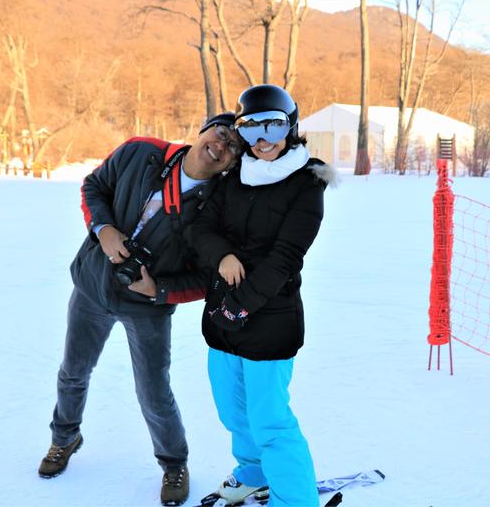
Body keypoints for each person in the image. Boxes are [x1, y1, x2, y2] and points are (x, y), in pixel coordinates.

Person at [38, 113, 242, 507]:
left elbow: (206, 277)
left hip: (147, 305)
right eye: (220, 134)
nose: (221, 146)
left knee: (153, 389)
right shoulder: (142, 151)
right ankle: (63, 439)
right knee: (74, 371)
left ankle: (174, 463)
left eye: (233, 147)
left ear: (234, 162)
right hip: (93, 286)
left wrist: (159, 289)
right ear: (203, 129)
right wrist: (104, 228)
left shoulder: (219, 207)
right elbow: (94, 186)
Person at [189, 85, 336, 507]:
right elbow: (201, 229)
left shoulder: (307, 181)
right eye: (252, 128)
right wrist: (223, 256)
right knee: (233, 411)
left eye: (272, 125)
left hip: (271, 317)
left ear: (290, 126)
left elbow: (287, 255)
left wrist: (244, 303)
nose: (263, 139)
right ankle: (253, 474)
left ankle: (295, 500)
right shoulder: (233, 176)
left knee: (270, 418)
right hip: (222, 316)